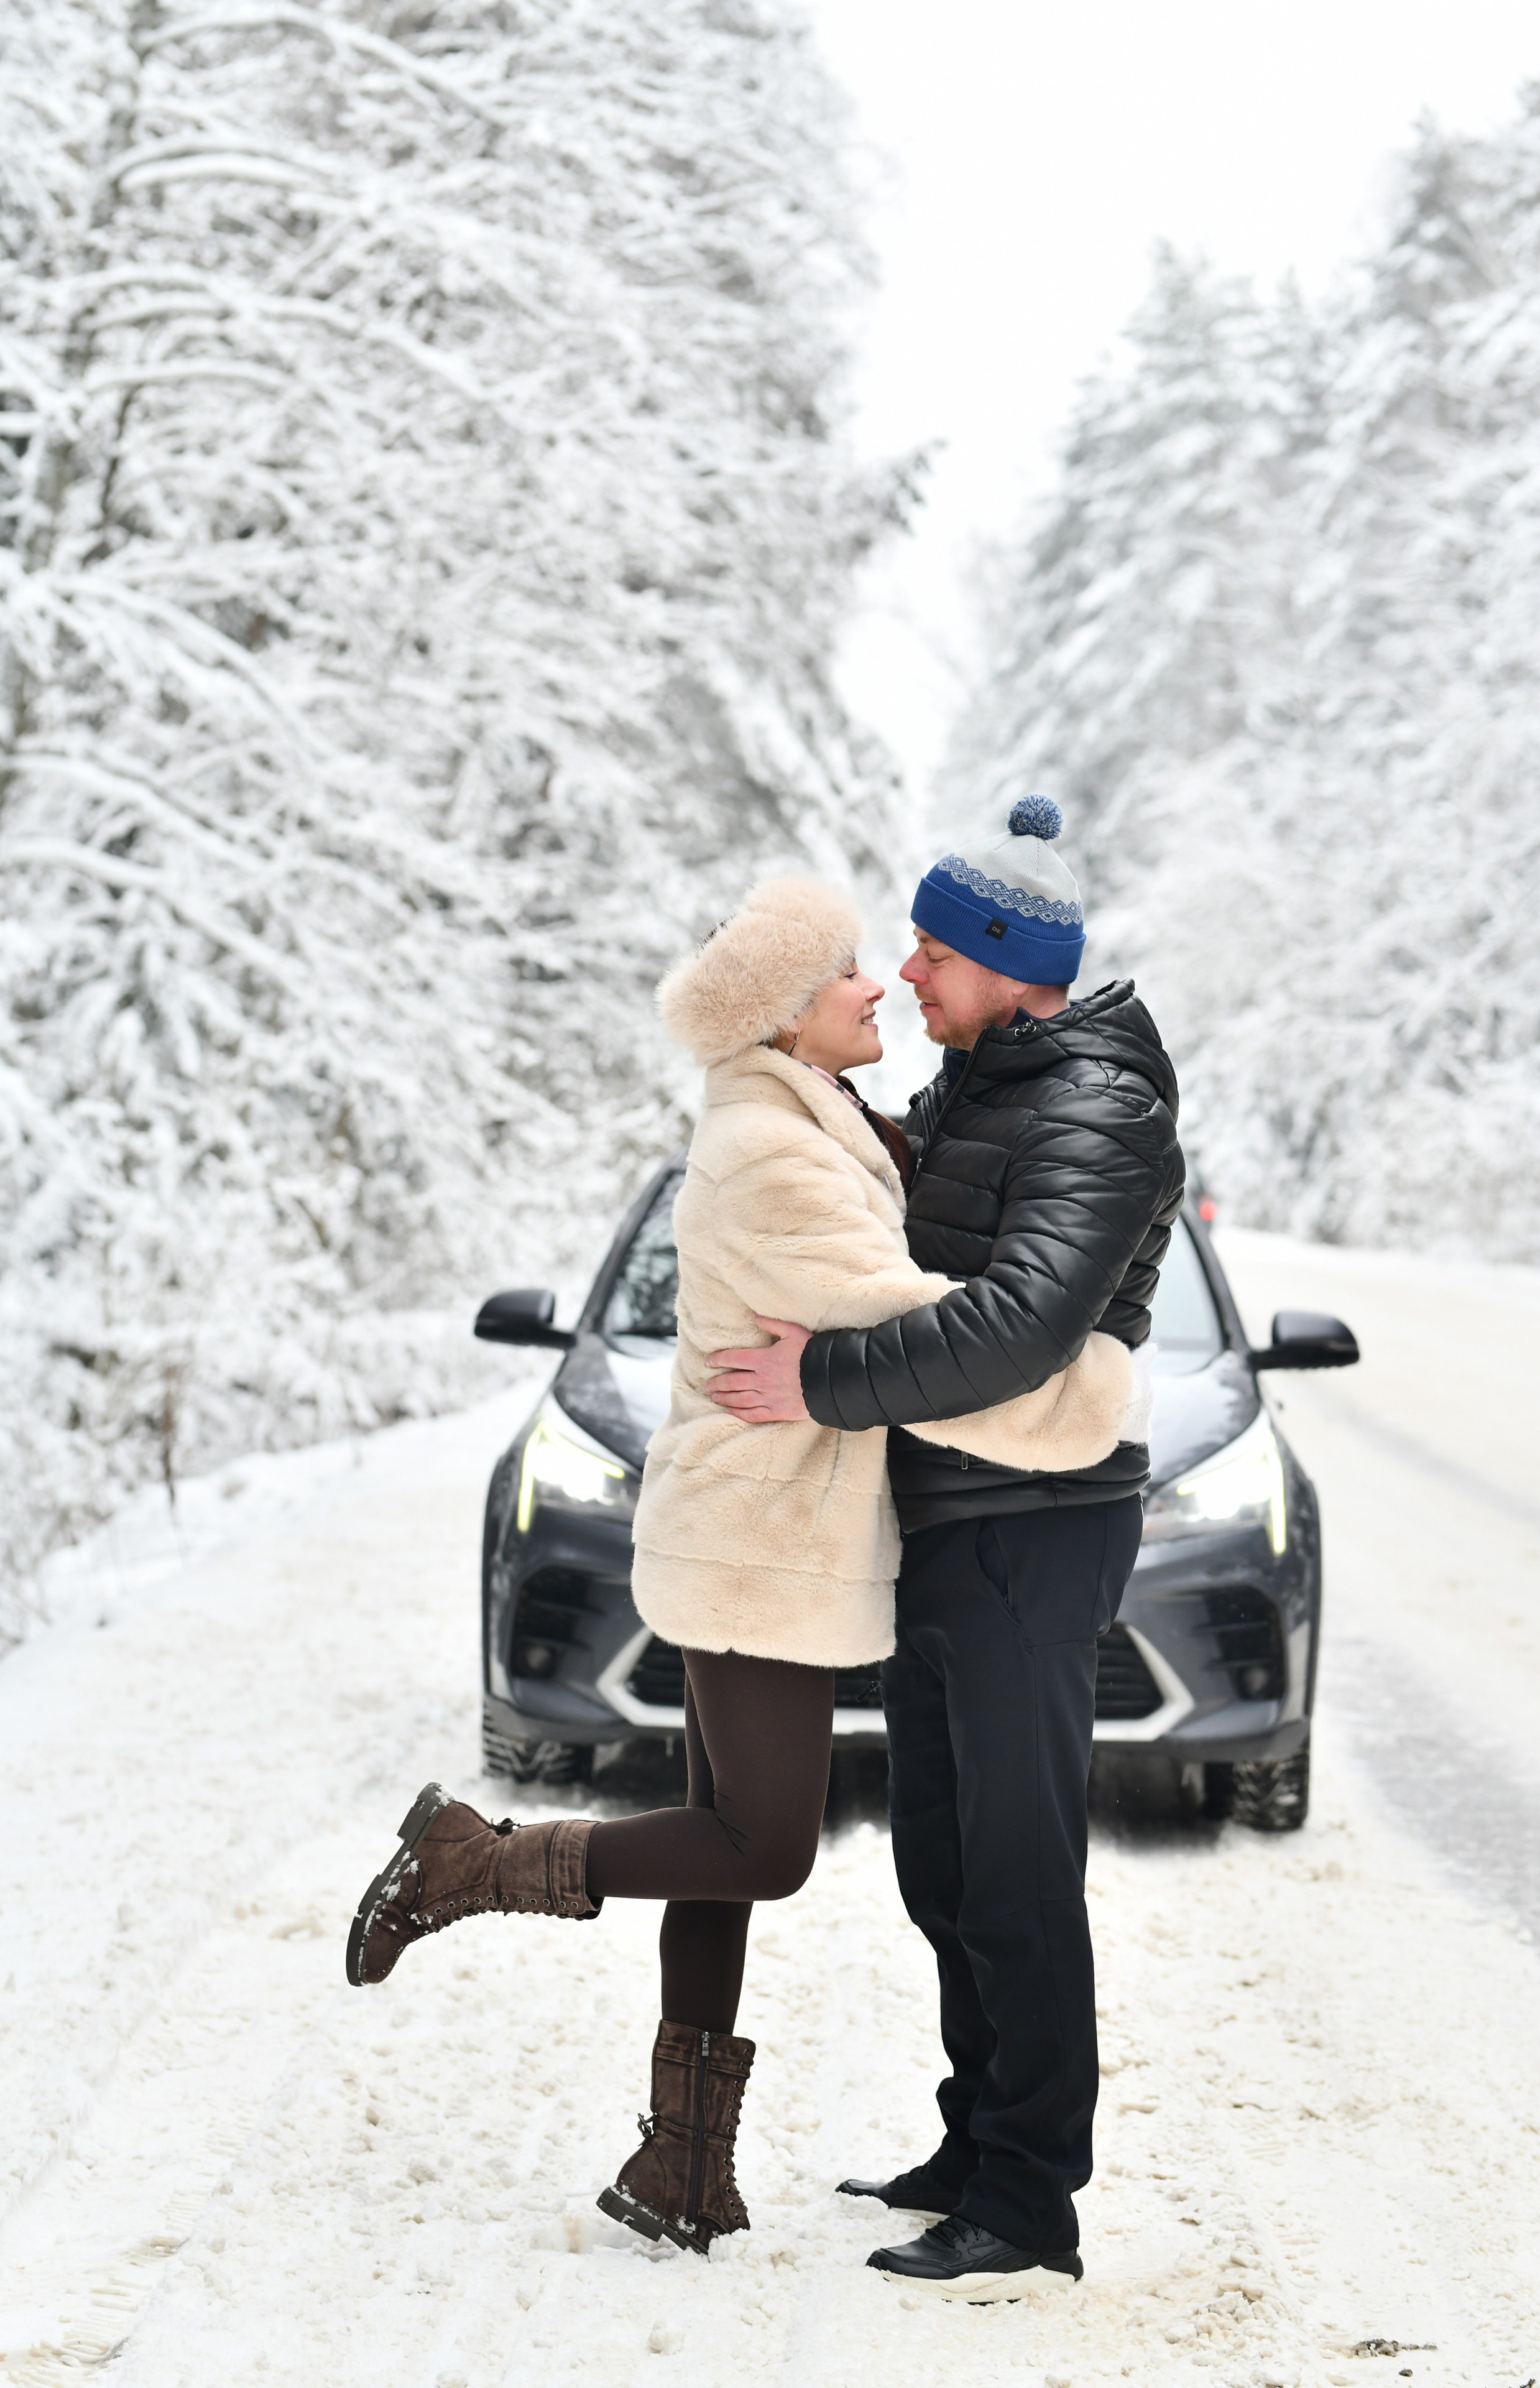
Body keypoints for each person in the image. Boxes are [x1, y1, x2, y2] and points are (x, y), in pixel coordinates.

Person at [344, 873, 1132, 2267]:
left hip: (771, 1523)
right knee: (757, 1846)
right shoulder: (774, 1155)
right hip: (761, 1533)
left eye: (900, 957)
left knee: (720, 1840)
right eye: (845, 971)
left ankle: (681, 2165)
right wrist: (1086, 1392)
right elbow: (918, 1320)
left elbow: (927, 1252)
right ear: (780, 1019)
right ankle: (467, 1860)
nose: (879, 981)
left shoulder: (818, 1118)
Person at [706, 796, 1185, 2299]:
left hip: (1033, 1525)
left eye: (928, 951)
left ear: (1003, 962)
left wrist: (815, 1383)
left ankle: (1030, 2199)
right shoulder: (990, 1078)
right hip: (946, 1513)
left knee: (1018, 1870)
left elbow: (1021, 1324)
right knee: (943, 1859)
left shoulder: (1095, 1108)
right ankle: (973, 2144)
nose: (906, 974)